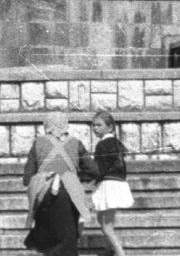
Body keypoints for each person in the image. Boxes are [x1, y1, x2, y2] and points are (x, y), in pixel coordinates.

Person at [22, 111, 97, 256]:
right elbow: (93, 170)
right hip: (70, 192)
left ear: (46, 125)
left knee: (47, 237)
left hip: (44, 191)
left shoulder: (38, 143)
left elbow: (27, 178)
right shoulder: (76, 143)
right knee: (68, 238)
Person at [89, 110, 133, 256]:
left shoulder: (102, 145)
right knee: (104, 221)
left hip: (109, 184)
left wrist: (88, 178)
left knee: (106, 225)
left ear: (110, 127)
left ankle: (120, 253)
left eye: (99, 125)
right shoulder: (117, 143)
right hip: (117, 183)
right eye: (94, 125)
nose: (95, 128)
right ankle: (111, 250)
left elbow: (98, 169)